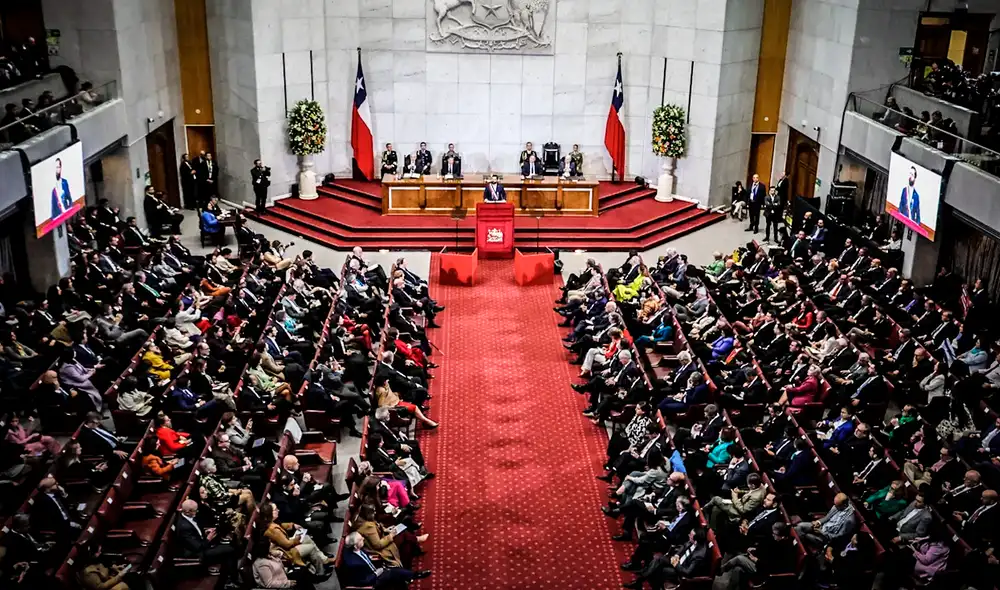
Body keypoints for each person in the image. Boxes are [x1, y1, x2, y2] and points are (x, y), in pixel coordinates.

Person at [339, 531, 430, 587]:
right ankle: (415, 575)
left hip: (374, 569)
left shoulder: (356, 549)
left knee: (394, 571)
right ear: (355, 546)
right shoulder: (354, 564)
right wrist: (376, 573)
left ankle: (411, 576)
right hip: (373, 581)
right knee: (393, 573)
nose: (363, 539)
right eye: (360, 539)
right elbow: (363, 581)